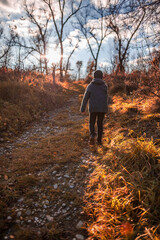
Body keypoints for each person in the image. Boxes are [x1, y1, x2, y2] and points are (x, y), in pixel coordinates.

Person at [80, 70, 108, 145]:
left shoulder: (90, 86)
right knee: (100, 124)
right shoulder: (104, 86)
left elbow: (85, 98)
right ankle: (99, 141)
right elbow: (105, 98)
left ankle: (92, 135)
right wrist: (105, 109)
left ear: (94, 76)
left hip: (93, 108)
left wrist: (83, 109)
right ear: (102, 76)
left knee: (92, 122)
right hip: (102, 108)